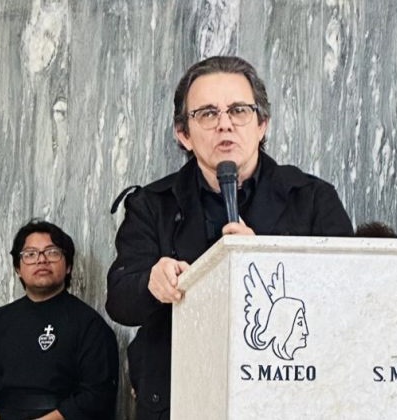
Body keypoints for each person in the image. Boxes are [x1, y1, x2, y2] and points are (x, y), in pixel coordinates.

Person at [106, 56, 353, 419]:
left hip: (286, 393)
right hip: (180, 396)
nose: (225, 124)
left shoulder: (312, 198)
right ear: (183, 134)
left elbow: (349, 297)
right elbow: (119, 300)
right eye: (207, 113)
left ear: (262, 124)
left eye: (238, 110)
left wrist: (266, 259)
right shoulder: (151, 204)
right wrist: (151, 283)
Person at [0, 220, 119, 420]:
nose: (41, 260)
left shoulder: (90, 325)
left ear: (68, 266)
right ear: (18, 268)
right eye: (30, 254)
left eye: (52, 252)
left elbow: (97, 396)